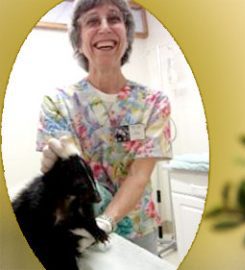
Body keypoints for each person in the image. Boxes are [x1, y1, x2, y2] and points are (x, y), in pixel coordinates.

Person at [37, 0, 172, 254]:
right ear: (78, 40)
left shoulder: (153, 103)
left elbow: (139, 175)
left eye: (114, 18)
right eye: (91, 21)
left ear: (127, 35)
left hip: (138, 229)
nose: (104, 27)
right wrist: (51, 165)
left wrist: (105, 221)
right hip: (78, 230)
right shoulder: (57, 103)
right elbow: (65, 175)